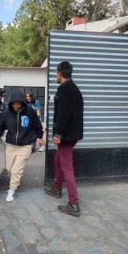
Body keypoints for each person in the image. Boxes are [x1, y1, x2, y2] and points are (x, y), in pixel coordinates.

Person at [44, 61, 84, 217]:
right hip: (73, 134)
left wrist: (58, 134)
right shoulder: (75, 89)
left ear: (60, 73)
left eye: (55, 73)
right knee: (58, 159)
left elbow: (64, 114)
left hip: (66, 135)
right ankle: (56, 187)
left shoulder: (63, 89)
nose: (56, 75)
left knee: (67, 166)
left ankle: (73, 203)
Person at [0, 91, 44, 202]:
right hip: (10, 145)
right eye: (14, 103)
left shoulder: (30, 112)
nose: (16, 106)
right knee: (9, 169)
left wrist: (37, 138)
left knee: (17, 170)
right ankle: (14, 183)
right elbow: (1, 127)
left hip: (25, 146)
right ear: (11, 103)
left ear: (23, 103)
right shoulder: (7, 113)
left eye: (19, 103)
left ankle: (12, 190)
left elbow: (38, 126)